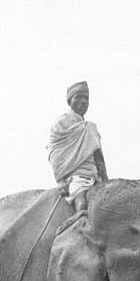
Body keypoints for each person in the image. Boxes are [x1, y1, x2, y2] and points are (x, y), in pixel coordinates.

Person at [47, 81, 108, 213]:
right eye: (78, 97)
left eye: (86, 98)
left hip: (94, 176)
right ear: (70, 101)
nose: (83, 101)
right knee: (82, 205)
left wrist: (106, 181)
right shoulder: (61, 123)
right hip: (76, 178)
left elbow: (99, 158)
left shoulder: (90, 127)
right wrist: (61, 182)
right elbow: (56, 155)